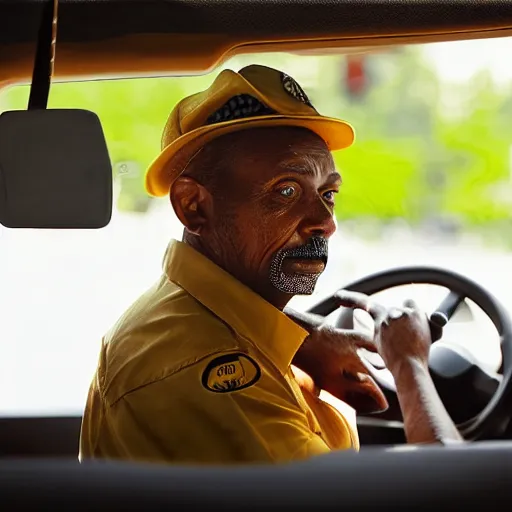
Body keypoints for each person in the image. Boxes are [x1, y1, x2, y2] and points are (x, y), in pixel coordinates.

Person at [79, 64, 461, 465]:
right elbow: (450, 496)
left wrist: (302, 337)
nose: (326, 222)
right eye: (287, 190)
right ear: (194, 207)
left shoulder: (193, 318)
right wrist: (409, 365)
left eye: (327, 193)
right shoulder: (203, 370)